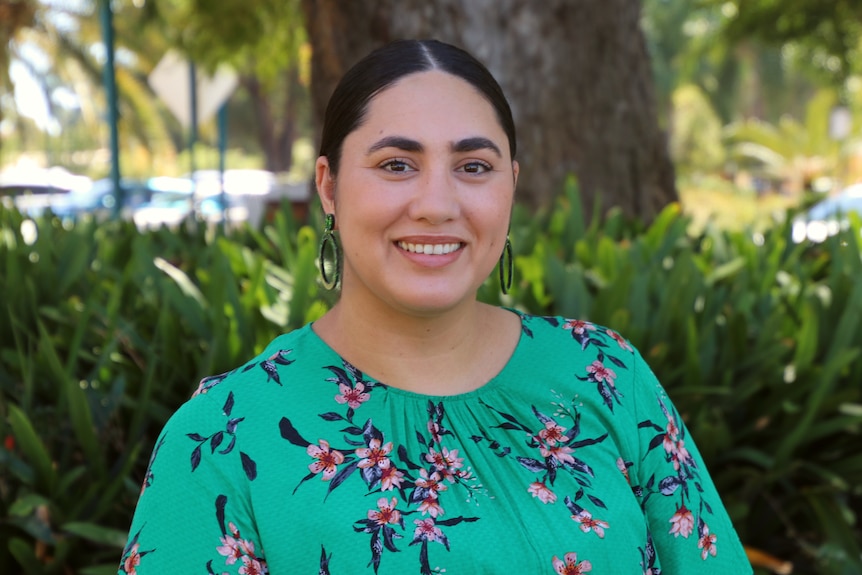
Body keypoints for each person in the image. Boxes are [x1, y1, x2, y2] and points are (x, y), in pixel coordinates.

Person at [118, 39, 752, 574]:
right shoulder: (221, 439)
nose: (437, 203)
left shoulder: (606, 375)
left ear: (511, 187)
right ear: (329, 186)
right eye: (397, 164)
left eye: (474, 166)